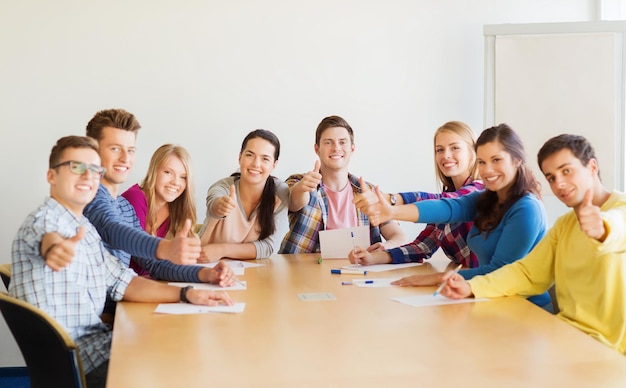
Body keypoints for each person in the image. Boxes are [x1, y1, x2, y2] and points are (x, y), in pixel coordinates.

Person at [10, 136, 235, 388]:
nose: (88, 177)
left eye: (94, 170)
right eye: (76, 168)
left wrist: (187, 293)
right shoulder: (45, 222)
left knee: (191, 350)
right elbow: (49, 239)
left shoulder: (83, 227)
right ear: (52, 176)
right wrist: (55, 250)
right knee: (189, 367)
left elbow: (125, 281)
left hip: (103, 346)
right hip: (83, 362)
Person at [439, 134, 626, 353]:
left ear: (592, 167)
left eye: (566, 171)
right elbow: (528, 273)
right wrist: (471, 287)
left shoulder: (617, 213)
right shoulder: (565, 224)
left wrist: (602, 230)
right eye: (551, 177)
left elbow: (617, 228)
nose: (559, 184)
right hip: (566, 336)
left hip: (608, 352)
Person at [355, 123, 551, 308]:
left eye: (496, 160)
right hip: (489, 300)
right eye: (482, 162)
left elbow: (500, 271)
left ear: (517, 160)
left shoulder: (527, 208)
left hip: (526, 306)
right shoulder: (484, 199)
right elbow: (446, 207)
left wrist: (440, 277)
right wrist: (392, 213)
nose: (487, 170)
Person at [348, 121, 484, 267]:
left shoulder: (479, 190)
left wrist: (390, 200)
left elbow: (443, 204)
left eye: (455, 148)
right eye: (439, 150)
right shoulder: (448, 195)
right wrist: (374, 258)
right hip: (466, 281)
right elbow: (423, 247)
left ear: (473, 153)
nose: (446, 155)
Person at [279, 115, 405, 254]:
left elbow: (399, 236)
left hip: (359, 272)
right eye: (328, 142)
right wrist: (302, 189)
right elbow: (294, 202)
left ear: (352, 149)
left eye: (342, 142)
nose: (336, 148)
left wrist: (388, 246)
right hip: (304, 272)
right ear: (317, 149)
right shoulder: (300, 182)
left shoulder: (368, 192)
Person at [197, 129, 289, 261]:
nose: (256, 164)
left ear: (274, 164)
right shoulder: (222, 187)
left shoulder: (279, 193)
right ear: (240, 157)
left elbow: (268, 247)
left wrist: (222, 249)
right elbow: (214, 203)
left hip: (250, 271)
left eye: (265, 159)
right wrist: (220, 207)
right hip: (204, 263)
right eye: (250, 155)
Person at [122, 144, 197, 276]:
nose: (175, 182)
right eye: (168, 172)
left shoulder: (173, 207)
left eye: (183, 177)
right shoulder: (135, 198)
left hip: (146, 280)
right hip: (124, 284)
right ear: (154, 171)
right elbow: (141, 256)